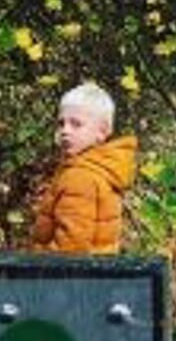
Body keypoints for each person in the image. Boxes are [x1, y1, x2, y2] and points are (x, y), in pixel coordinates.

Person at [31, 82, 137, 254]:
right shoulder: (102, 167)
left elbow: (69, 248)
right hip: (94, 274)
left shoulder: (80, 177)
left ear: (102, 132)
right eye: (61, 123)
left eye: (76, 124)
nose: (65, 131)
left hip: (68, 277)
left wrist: (33, 268)